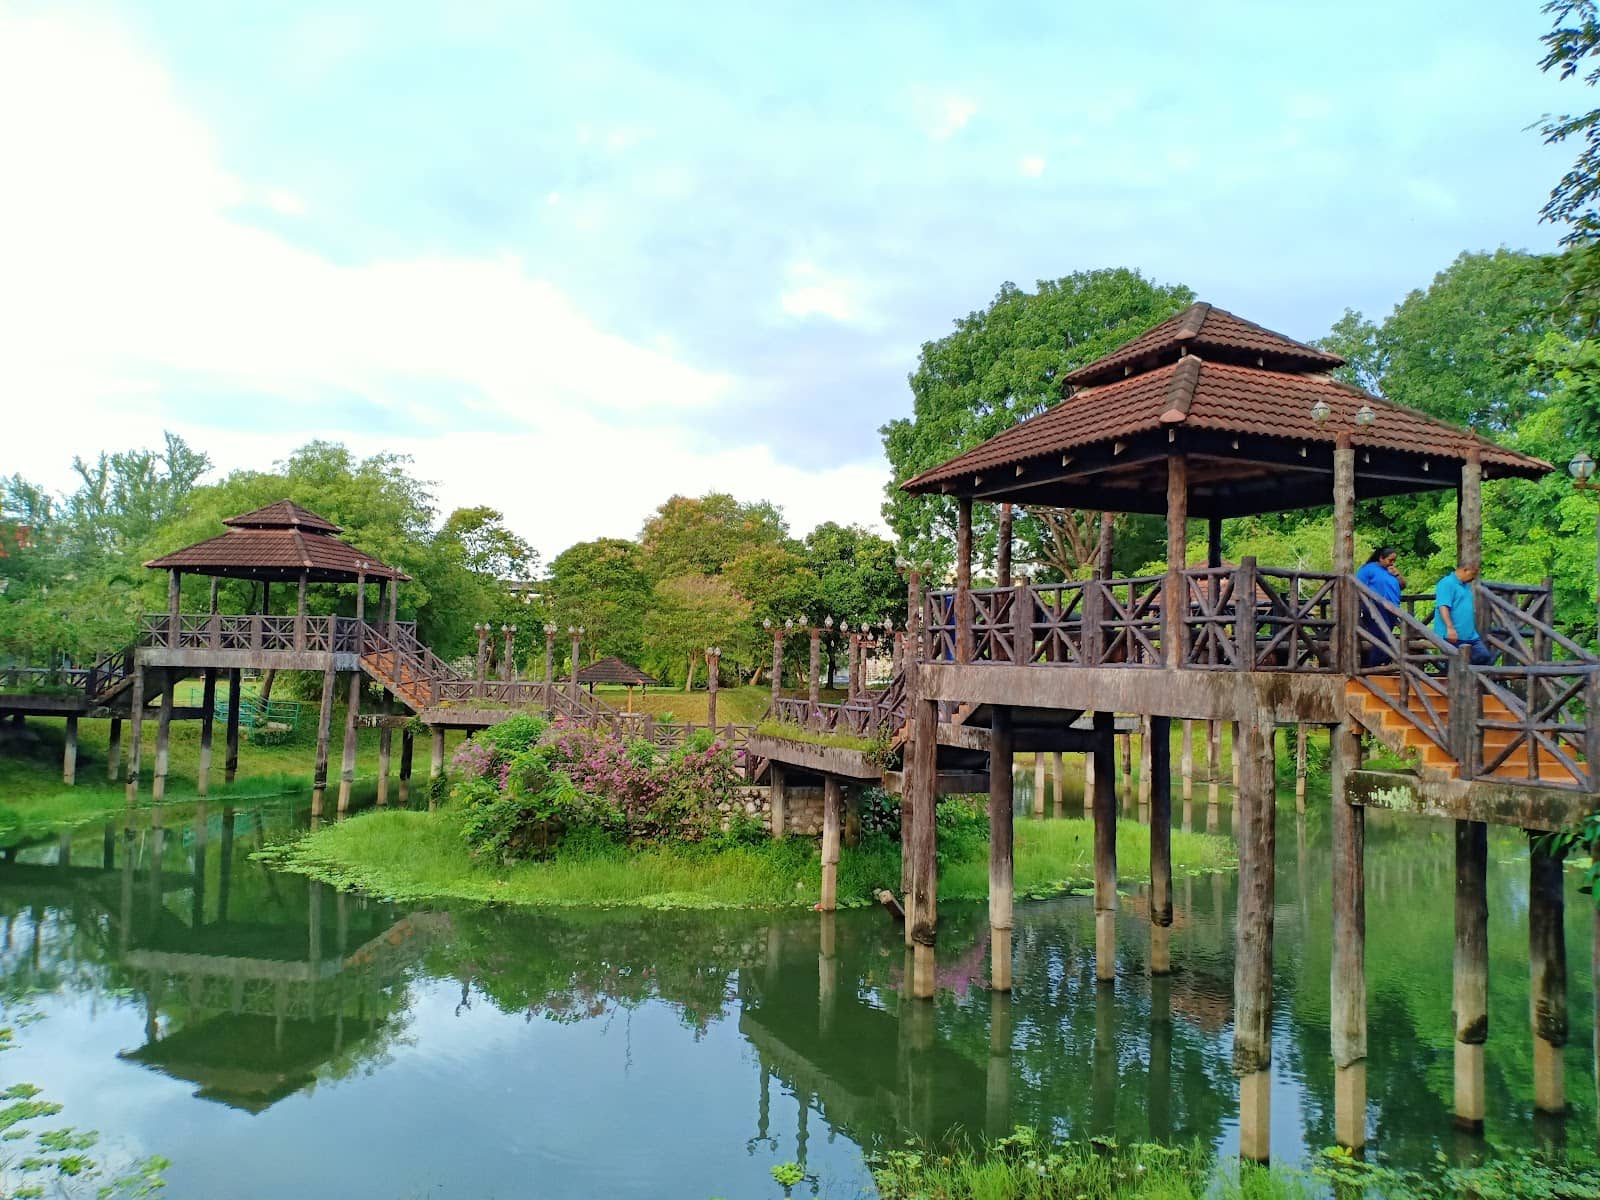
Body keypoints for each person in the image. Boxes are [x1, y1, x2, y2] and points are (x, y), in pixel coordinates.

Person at [1433, 562, 1494, 665]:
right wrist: (1450, 628)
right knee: (1456, 662)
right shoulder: (1447, 583)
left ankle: (1468, 676)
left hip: (1470, 635)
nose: (1473, 578)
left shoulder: (1465, 586)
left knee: (1483, 656)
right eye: (1473, 574)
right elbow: (1443, 606)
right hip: (1452, 634)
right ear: (1465, 570)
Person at [1356, 547, 1404, 666]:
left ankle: (1378, 664)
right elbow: (1357, 586)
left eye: (1394, 560)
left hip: (1393, 608)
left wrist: (1397, 574)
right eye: (1390, 560)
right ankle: (1374, 665)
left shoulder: (1391, 570)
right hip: (1375, 606)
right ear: (1381, 558)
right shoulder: (1368, 569)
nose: (1392, 563)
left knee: (1386, 636)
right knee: (1383, 636)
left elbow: (1403, 585)